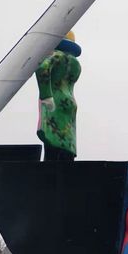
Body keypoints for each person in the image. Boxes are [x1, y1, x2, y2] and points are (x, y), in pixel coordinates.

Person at [36, 31, 82, 161]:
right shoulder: (74, 63)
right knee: (66, 141)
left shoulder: (56, 56)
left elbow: (42, 67)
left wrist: (46, 95)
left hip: (55, 100)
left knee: (53, 138)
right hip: (70, 103)